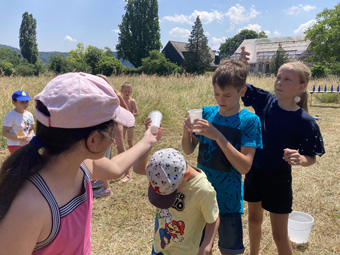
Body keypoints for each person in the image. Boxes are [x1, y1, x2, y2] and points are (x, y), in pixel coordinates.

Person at [0, 72, 161, 254]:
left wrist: (147, 141)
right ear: (93, 140)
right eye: (113, 130)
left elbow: (116, 168)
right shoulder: (28, 209)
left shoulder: (83, 166)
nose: (115, 138)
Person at [240, 56, 325, 254]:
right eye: (278, 77)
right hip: (254, 172)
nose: (279, 82)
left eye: (287, 79)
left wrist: (301, 159)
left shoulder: (304, 121)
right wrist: (242, 66)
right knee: (254, 220)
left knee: (279, 235)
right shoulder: (265, 101)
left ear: (301, 87)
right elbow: (240, 86)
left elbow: (311, 157)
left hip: (278, 180)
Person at [182, 59, 263, 255]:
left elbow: (244, 166)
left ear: (242, 91)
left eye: (227, 95)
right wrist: (186, 132)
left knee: (230, 249)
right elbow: (189, 149)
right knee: (199, 248)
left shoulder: (250, 121)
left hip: (229, 198)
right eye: (216, 94)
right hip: (201, 193)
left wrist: (217, 135)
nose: (221, 100)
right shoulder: (206, 113)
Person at [133, 145, 220, 255]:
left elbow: (213, 218)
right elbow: (138, 168)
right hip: (159, 247)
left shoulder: (203, 190)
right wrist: (149, 142)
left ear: (186, 175)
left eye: (170, 193)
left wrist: (207, 245)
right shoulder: (161, 172)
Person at [91, 74, 130, 198]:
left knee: (120, 148)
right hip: (103, 127)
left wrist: (117, 121)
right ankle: (101, 179)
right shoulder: (97, 95)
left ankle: (127, 174)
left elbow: (126, 110)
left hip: (114, 125)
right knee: (104, 154)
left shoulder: (115, 94)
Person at [118, 81, 139, 183]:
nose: (127, 93)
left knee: (130, 141)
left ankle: (132, 156)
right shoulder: (120, 101)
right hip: (122, 123)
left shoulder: (132, 101)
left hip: (130, 122)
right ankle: (125, 157)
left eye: (129, 91)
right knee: (121, 141)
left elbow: (137, 112)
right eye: (125, 91)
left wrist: (130, 114)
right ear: (122, 91)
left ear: (131, 91)